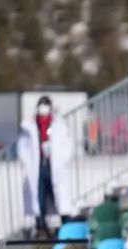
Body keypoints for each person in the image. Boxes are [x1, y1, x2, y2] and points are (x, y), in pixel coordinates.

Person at [17, 95, 74, 237]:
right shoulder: (29, 126)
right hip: (38, 168)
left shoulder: (60, 125)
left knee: (58, 201)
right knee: (39, 201)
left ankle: (62, 231)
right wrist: (26, 161)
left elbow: (67, 145)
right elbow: (22, 147)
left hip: (55, 167)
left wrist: (63, 160)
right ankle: (41, 230)